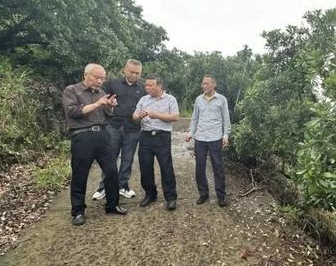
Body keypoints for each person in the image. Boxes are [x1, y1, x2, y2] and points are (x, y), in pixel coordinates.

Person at [62, 63, 128, 226]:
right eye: (97, 77)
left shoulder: (102, 93)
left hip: (103, 135)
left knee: (111, 171)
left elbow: (108, 115)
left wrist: (110, 107)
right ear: (86, 75)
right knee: (80, 174)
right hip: (82, 135)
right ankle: (78, 211)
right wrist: (98, 103)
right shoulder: (72, 90)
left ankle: (112, 205)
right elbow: (73, 112)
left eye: (102, 78)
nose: (100, 81)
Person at [92, 59, 145, 201]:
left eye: (137, 73)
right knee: (109, 158)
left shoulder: (143, 88)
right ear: (125, 70)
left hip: (133, 128)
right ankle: (103, 187)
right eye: (131, 71)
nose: (134, 75)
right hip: (113, 126)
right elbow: (102, 99)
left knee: (127, 159)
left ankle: (123, 186)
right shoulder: (113, 83)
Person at [132, 75, 179, 210]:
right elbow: (134, 116)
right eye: (146, 85)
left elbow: (175, 117)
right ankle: (150, 194)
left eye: (150, 85)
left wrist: (157, 115)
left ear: (159, 86)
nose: (147, 88)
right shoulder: (143, 99)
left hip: (162, 136)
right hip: (145, 136)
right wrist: (138, 116)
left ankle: (170, 198)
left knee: (166, 168)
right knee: (145, 167)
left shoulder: (170, 99)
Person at [185, 75, 231, 207]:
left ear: (213, 84)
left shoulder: (221, 99)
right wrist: (190, 132)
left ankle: (221, 196)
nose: (203, 86)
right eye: (202, 84)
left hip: (215, 138)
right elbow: (195, 118)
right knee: (199, 167)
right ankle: (203, 194)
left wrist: (226, 134)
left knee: (218, 167)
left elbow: (226, 118)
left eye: (206, 84)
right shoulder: (199, 99)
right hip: (200, 138)